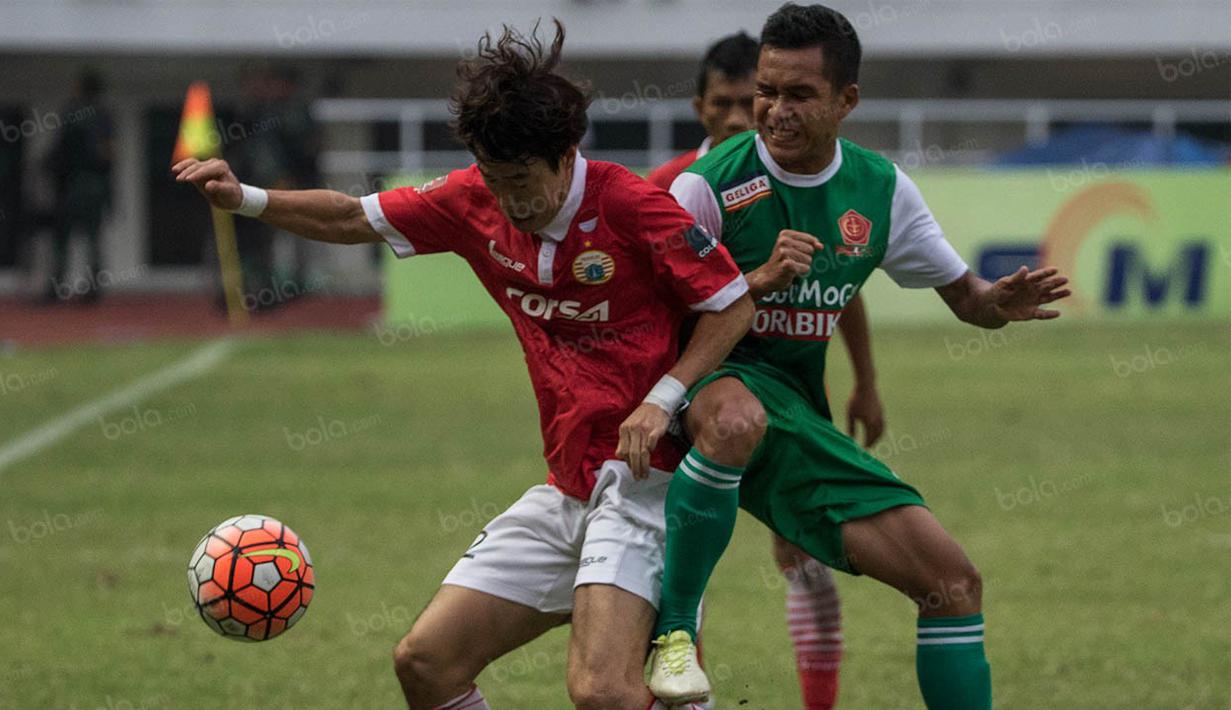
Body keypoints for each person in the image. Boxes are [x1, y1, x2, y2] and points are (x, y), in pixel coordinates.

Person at [174, 20, 754, 710]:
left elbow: (731, 304)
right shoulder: (472, 200)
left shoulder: (632, 205)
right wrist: (246, 198)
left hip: (644, 484)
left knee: (602, 692)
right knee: (426, 664)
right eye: (495, 179)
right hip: (567, 488)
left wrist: (661, 398)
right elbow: (350, 218)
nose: (509, 200)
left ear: (566, 154)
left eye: (522, 180)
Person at [646, 5, 1072, 708]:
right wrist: (754, 281)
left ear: (847, 100)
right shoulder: (705, 184)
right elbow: (654, 314)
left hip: (796, 415)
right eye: (766, 91)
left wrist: (995, 303)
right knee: (732, 420)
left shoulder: (881, 190)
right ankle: (676, 633)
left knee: (952, 584)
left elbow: (964, 297)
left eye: (798, 94)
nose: (773, 111)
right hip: (709, 387)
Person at [648, 30, 884, 709]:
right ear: (699, 107)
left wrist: (865, 382)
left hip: (785, 397)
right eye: (722, 103)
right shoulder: (667, 190)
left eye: (742, 100)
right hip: (689, 399)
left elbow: (842, 282)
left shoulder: (802, 174)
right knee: (677, 570)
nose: (736, 117)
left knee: (803, 556)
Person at [44, 69, 113, 303]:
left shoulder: (73, 113)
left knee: (62, 237)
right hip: (94, 185)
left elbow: (60, 150)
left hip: (73, 184)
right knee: (92, 238)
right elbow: (108, 154)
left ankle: (56, 287)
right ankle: (93, 289)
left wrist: (49, 168)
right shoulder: (103, 115)